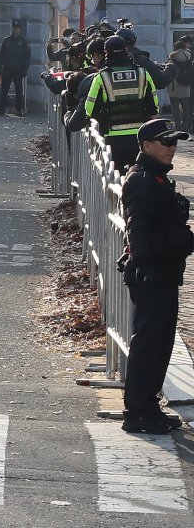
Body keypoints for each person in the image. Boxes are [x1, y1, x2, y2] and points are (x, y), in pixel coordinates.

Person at [117, 118, 194, 434]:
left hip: (162, 271)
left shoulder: (156, 177)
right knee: (149, 343)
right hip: (152, 274)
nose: (172, 148)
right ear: (146, 146)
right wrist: (146, 264)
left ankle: (149, 406)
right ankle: (137, 411)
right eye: (166, 142)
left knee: (160, 342)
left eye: (174, 142)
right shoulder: (143, 180)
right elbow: (138, 228)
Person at [65, 35, 159, 171]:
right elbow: (154, 108)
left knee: (114, 180)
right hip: (139, 138)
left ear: (106, 53)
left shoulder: (101, 77)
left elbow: (89, 110)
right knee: (138, 175)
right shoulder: (143, 74)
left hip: (113, 139)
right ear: (126, 50)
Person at [0, 20, 32, 116]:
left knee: (19, 90)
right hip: (7, 69)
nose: (15, 30)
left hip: (18, 69)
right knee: (4, 90)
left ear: (20, 30)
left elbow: (27, 57)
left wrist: (25, 69)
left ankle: (19, 110)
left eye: (17, 28)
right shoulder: (6, 40)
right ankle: (1, 109)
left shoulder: (24, 42)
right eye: (14, 28)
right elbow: (1, 55)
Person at [168, 48, 194, 133]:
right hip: (186, 87)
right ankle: (185, 126)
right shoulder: (189, 58)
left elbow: (167, 72)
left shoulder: (172, 59)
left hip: (174, 87)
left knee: (175, 108)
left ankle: (178, 126)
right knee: (186, 108)